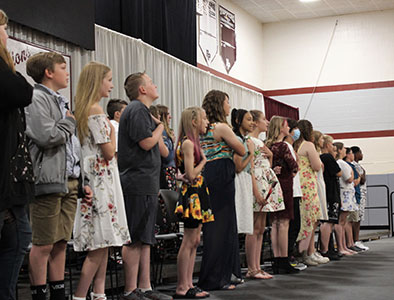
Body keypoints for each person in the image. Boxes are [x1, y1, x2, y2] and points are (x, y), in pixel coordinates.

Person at [25, 52, 93, 300]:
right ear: (48, 72)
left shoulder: (61, 102)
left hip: (69, 181)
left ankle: (57, 292)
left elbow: (72, 147)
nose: (67, 72)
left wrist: (82, 180)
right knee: (43, 243)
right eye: (63, 67)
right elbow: (46, 136)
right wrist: (68, 123)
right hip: (48, 180)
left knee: (61, 242)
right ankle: (39, 294)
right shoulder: (36, 98)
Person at [72, 62, 131, 300]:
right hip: (100, 179)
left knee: (103, 240)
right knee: (98, 244)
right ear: (97, 82)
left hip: (98, 176)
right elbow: (108, 151)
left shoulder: (88, 109)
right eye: (108, 79)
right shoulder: (95, 111)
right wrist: (114, 131)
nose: (112, 84)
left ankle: (99, 293)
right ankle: (79, 296)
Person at [118, 72, 171, 300]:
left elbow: (164, 151)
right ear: (142, 89)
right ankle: (130, 289)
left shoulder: (145, 113)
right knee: (135, 237)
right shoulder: (137, 110)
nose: (155, 84)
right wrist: (160, 127)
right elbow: (147, 141)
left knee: (146, 237)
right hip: (136, 181)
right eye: (151, 82)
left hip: (148, 182)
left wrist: (157, 126)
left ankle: (145, 287)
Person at [0, 9, 34, 300]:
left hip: (10, 183)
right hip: (6, 181)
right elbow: (21, 91)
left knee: (18, 240)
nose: (7, 35)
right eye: (3, 30)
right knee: (20, 239)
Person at [198, 90, 245, 291]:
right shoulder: (221, 127)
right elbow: (242, 149)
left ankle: (223, 274)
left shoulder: (204, 127)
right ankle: (217, 278)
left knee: (217, 226)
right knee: (221, 226)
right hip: (221, 173)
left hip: (209, 172)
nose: (229, 106)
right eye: (227, 102)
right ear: (220, 104)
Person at [173, 107, 213, 299]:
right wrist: (204, 161)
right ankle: (182, 285)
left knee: (195, 240)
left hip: (197, 192)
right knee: (189, 240)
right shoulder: (188, 144)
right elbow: (190, 174)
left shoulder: (192, 143)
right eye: (204, 118)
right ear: (194, 121)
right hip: (192, 194)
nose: (207, 122)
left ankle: (188, 283)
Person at [245, 110, 282, 279]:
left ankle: (257, 266)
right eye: (264, 119)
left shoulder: (259, 141)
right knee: (253, 228)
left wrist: (271, 157)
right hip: (257, 184)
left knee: (260, 228)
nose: (267, 122)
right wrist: (255, 191)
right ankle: (252, 267)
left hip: (265, 181)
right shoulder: (250, 140)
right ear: (255, 122)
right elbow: (251, 168)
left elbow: (265, 164)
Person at [265, 116, 299, 274]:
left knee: (275, 223)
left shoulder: (268, 145)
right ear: (281, 128)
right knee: (284, 223)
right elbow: (294, 165)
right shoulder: (284, 146)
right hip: (284, 184)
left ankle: (277, 260)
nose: (289, 127)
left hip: (272, 185)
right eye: (286, 125)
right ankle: (284, 259)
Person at [295, 120, 328, 266]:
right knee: (311, 219)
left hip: (300, 183)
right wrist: (320, 164)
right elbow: (316, 165)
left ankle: (310, 251)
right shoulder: (308, 145)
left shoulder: (295, 145)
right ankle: (307, 253)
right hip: (309, 184)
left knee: (306, 218)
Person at [283, 119, 306, 270]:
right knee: (292, 226)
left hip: (296, 190)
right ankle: (287, 256)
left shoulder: (291, 147)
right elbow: (293, 168)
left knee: (295, 226)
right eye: (295, 129)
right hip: (290, 190)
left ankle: (289, 255)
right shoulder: (286, 146)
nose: (297, 133)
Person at [231, 108, 255, 235]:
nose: (252, 123)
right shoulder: (238, 140)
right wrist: (251, 154)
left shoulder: (244, 139)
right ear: (238, 121)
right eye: (248, 119)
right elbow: (238, 167)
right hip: (239, 180)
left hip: (245, 180)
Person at [319, 135, 342, 260]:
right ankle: (325, 249)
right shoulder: (327, 157)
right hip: (331, 192)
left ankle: (328, 248)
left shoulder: (322, 157)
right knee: (328, 221)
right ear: (328, 145)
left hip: (327, 191)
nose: (334, 147)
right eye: (332, 144)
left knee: (330, 221)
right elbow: (339, 172)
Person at [332, 142, 357, 256]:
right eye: (343, 149)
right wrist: (352, 174)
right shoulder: (340, 163)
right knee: (341, 221)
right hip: (344, 192)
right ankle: (341, 246)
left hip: (347, 192)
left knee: (343, 221)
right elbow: (348, 178)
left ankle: (344, 246)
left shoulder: (342, 163)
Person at [351, 146, 369, 251]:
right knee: (356, 218)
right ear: (355, 153)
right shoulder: (354, 164)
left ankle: (355, 240)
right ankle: (355, 240)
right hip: (358, 193)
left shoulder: (357, 165)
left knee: (359, 217)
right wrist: (363, 174)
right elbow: (362, 179)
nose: (362, 154)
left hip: (361, 192)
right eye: (360, 152)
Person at [157, 104, 177, 191]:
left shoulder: (166, 132)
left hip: (168, 169)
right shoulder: (163, 133)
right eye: (168, 114)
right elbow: (167, 156)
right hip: (166, 170)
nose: (170, 117)